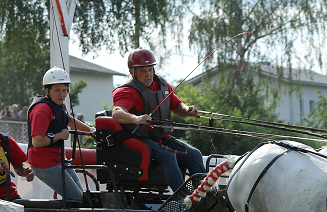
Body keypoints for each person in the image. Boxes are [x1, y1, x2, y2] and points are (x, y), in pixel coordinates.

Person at [111, 48, 205, 192]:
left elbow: (177, 106)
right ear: (132, 71)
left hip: (163, 138)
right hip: (140, 139)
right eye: (143, 71)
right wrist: (136, 119)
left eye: (150, 69)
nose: (148, 75)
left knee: (195, 154)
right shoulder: (126, 91)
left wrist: (188, 110)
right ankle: (183, 199)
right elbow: (117, 113)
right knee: (168, 156)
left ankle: (201, 195)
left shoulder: (162, 85)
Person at [27, 67, 94, 203]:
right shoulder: (42, 110)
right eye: (57, 90)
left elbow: (68, 120)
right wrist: (60, 135)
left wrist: (90, 130)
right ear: (47, 90)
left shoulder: (59, 105)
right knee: (75, 199)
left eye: (64, 90)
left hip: (58, 160)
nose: (62, 94)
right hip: (44, 164)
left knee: (82, 197)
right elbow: (37, 142)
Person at [0, 131, 34, 201]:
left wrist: (25, 172)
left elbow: (18, 167)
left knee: (24, 210)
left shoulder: (7, 142)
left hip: (8, 193)